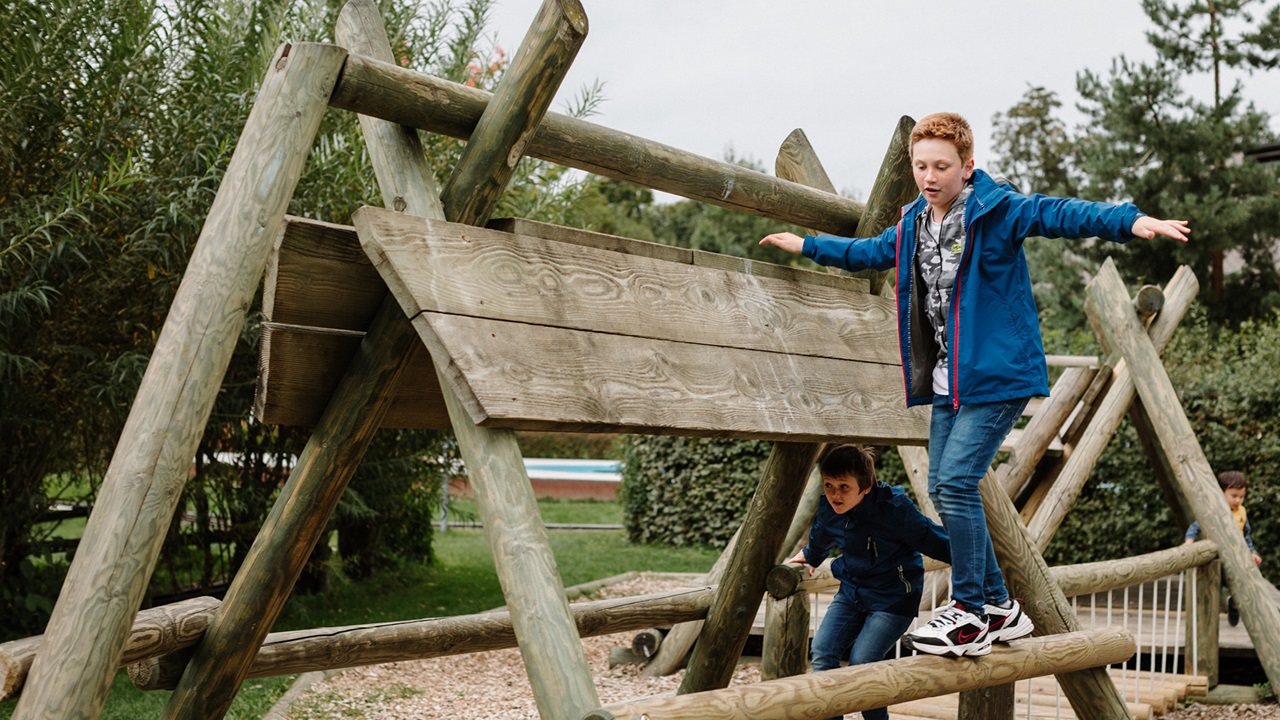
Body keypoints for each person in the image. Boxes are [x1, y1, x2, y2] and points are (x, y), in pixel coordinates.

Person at [762, 112, 1190, 657]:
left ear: (967, 167)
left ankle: (969, 609)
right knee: (942, 485)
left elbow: (1057, 213)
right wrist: (807, 246)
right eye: (921, 166)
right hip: (947, 383)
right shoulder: (916, 222)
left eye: (941, 166)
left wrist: (1128, 221)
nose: (929, 176)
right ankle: (998, 605)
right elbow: (870, 252)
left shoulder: (997, 210)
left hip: (999, 375)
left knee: (959, 481)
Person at [787, 444, 949, 720]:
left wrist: (969, 560)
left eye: (843, 487)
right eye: (828, 485)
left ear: (865, 488)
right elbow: (821, 535)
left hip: (893, 598)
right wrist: (811, 556)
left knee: (863, 661)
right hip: (852, 592)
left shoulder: (894, 509)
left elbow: (930, 537)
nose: (835, 494)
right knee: (823, 650)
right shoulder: (829, 506)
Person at [1184, 470, 1262, 625]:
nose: (1238, 500)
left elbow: (1246, 536)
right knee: (1214, 587)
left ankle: (1234, 604)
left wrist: (1252, 552)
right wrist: (1189, 541)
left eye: (1242, 496)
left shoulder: (1242, 513)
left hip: (1237, 556)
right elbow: (1195, 526)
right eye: (1234, 496)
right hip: (1217, 558)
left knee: (1242, 585)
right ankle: (1208, 619)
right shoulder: (1215, 510)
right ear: (1221, 493)